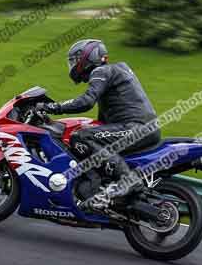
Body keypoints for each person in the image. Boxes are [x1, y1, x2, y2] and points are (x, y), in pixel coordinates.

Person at [36, 39, 160, 211]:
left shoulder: (101, 71)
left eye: (75, 60)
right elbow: (102, 122)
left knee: (80, 137)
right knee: (88, 134)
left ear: (89, 56)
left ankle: (128, 182)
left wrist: (53, 107)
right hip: (140, 128)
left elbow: (86, 101)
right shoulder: (113, 74)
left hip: (136, 127)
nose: (73, 64)